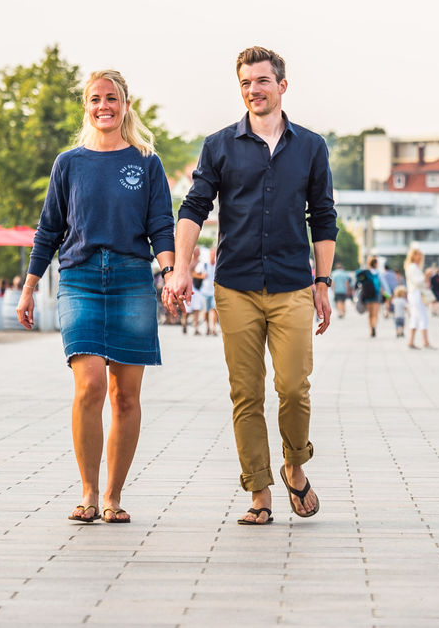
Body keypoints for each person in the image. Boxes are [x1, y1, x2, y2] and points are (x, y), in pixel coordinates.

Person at [164, 46, 336, 526]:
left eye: (262, 81)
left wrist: (323, 281)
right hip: (235, 285)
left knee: (293, 385)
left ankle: (294, 466)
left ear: (282, 85)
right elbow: (194, 207)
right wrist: (180, 268)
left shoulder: (310, 146)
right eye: (245, 83)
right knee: (246, 392)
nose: (254, 90)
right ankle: (259, 493)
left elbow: (323, 216)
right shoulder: (219, 145)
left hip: (292, 285)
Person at [18, 69, 175, 525]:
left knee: (125, 396)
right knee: (89, 385)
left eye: (112, 98)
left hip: (131, 280)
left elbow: (161, 225)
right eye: (95, 99)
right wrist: (28, 289)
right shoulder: (69, 163)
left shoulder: (147, 162)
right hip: (80, 279)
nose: (103, 106)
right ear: (86, 107)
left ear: (126, 105)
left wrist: (168, 274)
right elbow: (48, 230)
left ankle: (113, 495)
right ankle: (87, 490)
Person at [403, 247, 434, 350]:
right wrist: (426, 275)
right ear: (413, 256)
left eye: (421, 255)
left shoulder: (414, 267)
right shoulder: (412, 267)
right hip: (416, 294)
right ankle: (425, 342)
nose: (420, 257)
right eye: (418, 255)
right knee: (422, 316)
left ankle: (411, 341)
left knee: (415, 317)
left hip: (416, 293)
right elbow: (418, 282)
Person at [356, 256, 383, 337]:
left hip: (367, 295)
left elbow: (359, 281)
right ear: (375, 264)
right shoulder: (378, 273)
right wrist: (387, 295)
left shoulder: (365, 272)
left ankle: (371, 329)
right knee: (375, 314)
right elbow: (382, 285)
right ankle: (374, 326)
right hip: (376, 295)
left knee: (370, 314)